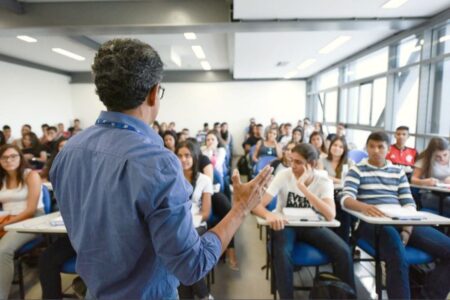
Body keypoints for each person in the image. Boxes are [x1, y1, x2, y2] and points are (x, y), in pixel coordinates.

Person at [50, 39, 272, 299]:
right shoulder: (157, 163)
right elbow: (192, 266)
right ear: (154, 93)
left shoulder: (68, 153)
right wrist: (241, 208)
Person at [342, 132, 450, 299]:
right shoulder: (357, 170)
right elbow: (346, 198)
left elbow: (409, 203)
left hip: (402, 219)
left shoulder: (397, 172)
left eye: (380, 147)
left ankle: (428, 297)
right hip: (373, 223)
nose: (376, 150)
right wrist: (364, 207)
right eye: (372, 146)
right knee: (397, 253)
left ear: (388, 149)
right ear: (367, 147)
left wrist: (407, 230)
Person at [252, 143, 355, 299]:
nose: (293, 166)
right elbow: (256, 205)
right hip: (285, 225)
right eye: (292, 160)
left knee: (343, 251)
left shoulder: (323, 180)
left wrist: (304, 188)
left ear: (311, 164)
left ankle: (347, 296)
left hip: (311, 226)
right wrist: (269, 215)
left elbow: (330, 214)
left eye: (298, 162)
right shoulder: (284, 175)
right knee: (282, 252)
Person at [0, 144, 43, 299]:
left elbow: (31, 210)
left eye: (13, 156)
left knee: (3, 250)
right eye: (4, 157)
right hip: (7, 219)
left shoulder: (30, 175)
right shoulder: (2, 178)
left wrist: (5, 225)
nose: (8, 160)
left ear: (20, 157)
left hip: (31, 219)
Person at [175, 141, 213, 299]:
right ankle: (204, 294)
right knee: (182, 249)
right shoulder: (172, 177)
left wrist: (190, 222)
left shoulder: (204, 180)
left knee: (183, 248)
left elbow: (206, 212)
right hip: (177, 225)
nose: (183, 159)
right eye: (180, 156)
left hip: (197, 225)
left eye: (187, 155)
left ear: (195, 157)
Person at [411, 137, 450, 216]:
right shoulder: (424, 160)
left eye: (445, 155)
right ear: (431, 154)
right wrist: (425, 181)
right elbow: (413, 179)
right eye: (437, 156)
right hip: (429, 194)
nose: (442, 158)